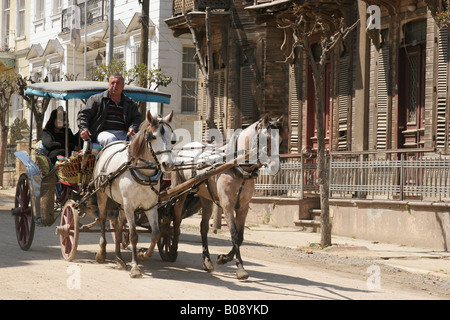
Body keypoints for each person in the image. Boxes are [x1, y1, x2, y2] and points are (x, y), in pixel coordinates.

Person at [77, 74, 142, 146]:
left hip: (124, 133)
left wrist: (132, 128)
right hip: (103, 133)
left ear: (122, 86)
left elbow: (137, 118)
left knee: (137, 142)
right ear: (109, 85)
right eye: (112, 83)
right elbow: (83, 115)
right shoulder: (97, 99)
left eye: (117, 83)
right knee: (111, 139)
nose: (115, 85)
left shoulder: (130, 103)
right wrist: (84, 128)